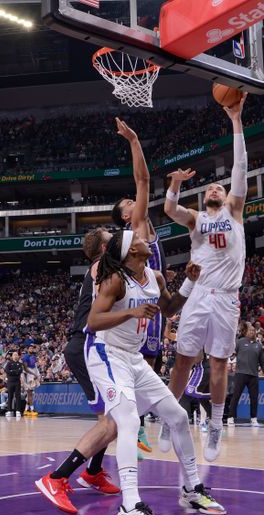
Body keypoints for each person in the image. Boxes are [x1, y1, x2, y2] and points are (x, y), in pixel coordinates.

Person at [86, 229, 223, 515]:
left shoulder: (155, 276)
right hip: (106, 353)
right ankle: (129, 509)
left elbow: (169, 308)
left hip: (133, 358)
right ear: (130, 251)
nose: (145, 240)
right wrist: (131, 312)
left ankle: (192, 490)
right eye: (137, 239)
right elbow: (93, 322)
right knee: (129, 423)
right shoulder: (115, 279)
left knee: (177, 415)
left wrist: (190, 281)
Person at [160, 93, 249, 462]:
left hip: (227, 297)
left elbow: (240, 167)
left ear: (227, 196)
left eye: (220, 187)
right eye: (210, 188)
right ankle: (169, 417)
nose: (216, 188)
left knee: (217, 363)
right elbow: (168, 209)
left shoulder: (234, 212)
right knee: (183, 360)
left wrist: (236, 120)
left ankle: (215, 426)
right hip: (198, 295)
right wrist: (176, 183)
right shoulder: (197, 219)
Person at [36, 228, 121, 515]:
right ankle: (57, 477)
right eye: (113, 238)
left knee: (115, 417)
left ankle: (94, 472)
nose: (118, 239)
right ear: (103, 247)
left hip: (93, 346)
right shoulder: (102, 266)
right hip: (87, 347)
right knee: (110, 421)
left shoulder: (104, 267)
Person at [110, 117, 163, 454]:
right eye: (127, 204)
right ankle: (133, 423)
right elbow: (143, 178)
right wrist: (133, 139)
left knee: (150, 364)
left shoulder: (140, 230)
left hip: (150, 299)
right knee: (142, 365)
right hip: (140, 302)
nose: (133, 201)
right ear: (127, 218)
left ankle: (136, 422)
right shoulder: (139, 225)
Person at [227, 322, 264, 427]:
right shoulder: (239, 342)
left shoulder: (258, 346)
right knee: (236, 396)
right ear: (246, 332)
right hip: (240, 374)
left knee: (254, 398)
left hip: (253, 376)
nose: (252, 332)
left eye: (253, 331)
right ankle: (230, 418)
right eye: (250, 330)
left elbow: (262, 363)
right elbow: (230, 353)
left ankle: (254, 419)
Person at [4, 351, 24, 418]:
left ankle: (18, 411)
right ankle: (9, 410)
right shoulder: (9, 363)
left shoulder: (20, 364)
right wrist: (15, 371)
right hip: (10, 382)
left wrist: (12, 371)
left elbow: (20, 371)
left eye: (16, 355)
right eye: (14, 355)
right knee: (10, 396)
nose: (15, 356)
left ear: (18, 356)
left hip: (17, 382)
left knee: (18, 396)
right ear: (12, 356)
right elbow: (7, 371)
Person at [21, 350, 41, 416]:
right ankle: (32, 409)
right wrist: (34, 375)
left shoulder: (33, 360)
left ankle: (26, 410)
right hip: (27, 378)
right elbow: (26, 370)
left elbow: (35, 368)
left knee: (30, 394)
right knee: (30, 393)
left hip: (31, 377)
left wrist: (37, 376)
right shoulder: (25, 360)